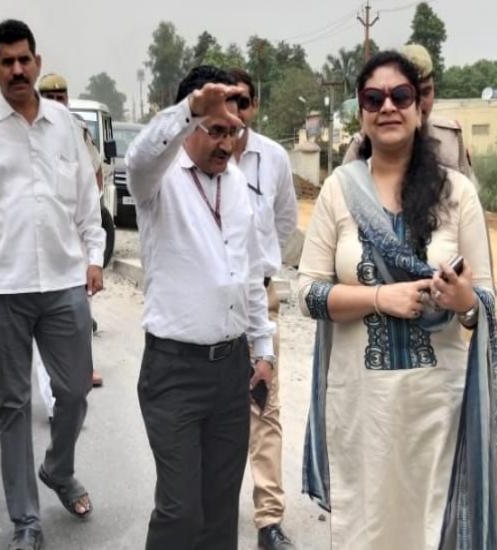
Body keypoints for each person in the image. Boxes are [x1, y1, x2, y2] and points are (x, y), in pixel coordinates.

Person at [299, 51, 497, 549]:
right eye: (374, 98)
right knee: (365, 530)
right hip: (361, 405)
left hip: (437, 406)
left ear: (419, 109)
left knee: (429, 529)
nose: (387, 107)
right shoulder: (339, 191)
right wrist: (379, 297)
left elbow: (485, 302)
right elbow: (307, 293)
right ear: (361, 112)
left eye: (400, 95)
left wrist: (463, 300)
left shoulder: (457, 193)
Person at [0, 19, 104, 550]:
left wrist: (95, 256)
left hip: (63, 283)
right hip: (1, 289)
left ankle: (58, 469)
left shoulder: (64, 126)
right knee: (13, 404)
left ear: (37, 62)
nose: (17, 69)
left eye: (24, 60)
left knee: (74, 391)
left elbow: (86, 200)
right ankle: (26, 520)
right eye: (7, 62)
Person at [126, 65, 274, 550]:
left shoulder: (237, 185)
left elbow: (250, 272)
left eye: (233, 131)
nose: (226, 144)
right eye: (214, 130)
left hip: (230, 370)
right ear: (190, 124)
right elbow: (138, 158)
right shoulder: (158, 181)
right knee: (180, 510)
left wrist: (263, 350)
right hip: (174, 372)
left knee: (220, 510)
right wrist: (189, 109)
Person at [229, 68, 297, 550]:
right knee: (216, 410)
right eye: (228, 100)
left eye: (244, 101)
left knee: (264, 407)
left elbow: (286, 219)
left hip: (263, 297)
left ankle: (269, 519)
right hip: (213, 305)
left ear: (254, 106)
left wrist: (264, 264)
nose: (236, 110)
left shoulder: (273, 158)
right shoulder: (196, 153)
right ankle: (209, 506)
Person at [36, 72, 104, 404]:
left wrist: (94, 252)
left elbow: (95, 175)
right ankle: (53, 398)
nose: (56, 102)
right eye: (49, 97)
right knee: (42, 320)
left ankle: (80, 370)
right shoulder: (28, 133)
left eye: (60, 96)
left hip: (75, 238)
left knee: (79, 311)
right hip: (39, 245)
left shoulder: (78, 131)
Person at [343, 43, 474, 180]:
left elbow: (469, 188)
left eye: (426, 92)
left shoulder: (450, 137)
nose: (420, 102)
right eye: (403, 95)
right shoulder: (363, 144)